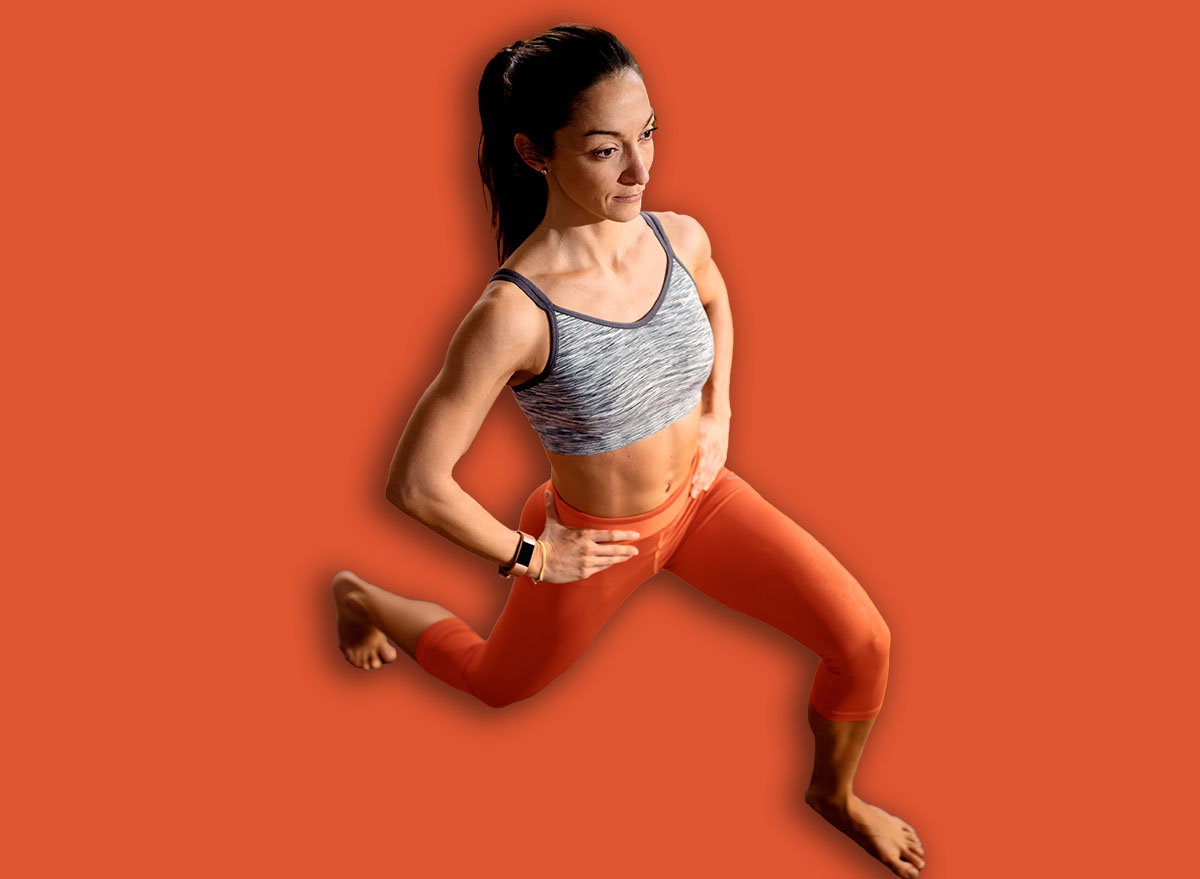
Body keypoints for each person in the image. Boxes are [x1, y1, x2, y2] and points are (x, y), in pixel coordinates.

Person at [331, 23, 925, 879]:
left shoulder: (679, 236)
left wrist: (719, 410)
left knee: (865, 641)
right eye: (606, 149)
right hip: (596, 542)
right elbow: (416, 482)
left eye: (649, 133)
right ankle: (361, 597)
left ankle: (834, 795)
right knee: (497, 686)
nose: (641, 169)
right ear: (534, 152)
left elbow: (716, 297)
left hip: (704, 502)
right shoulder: (514, 314)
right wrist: (534, 556)